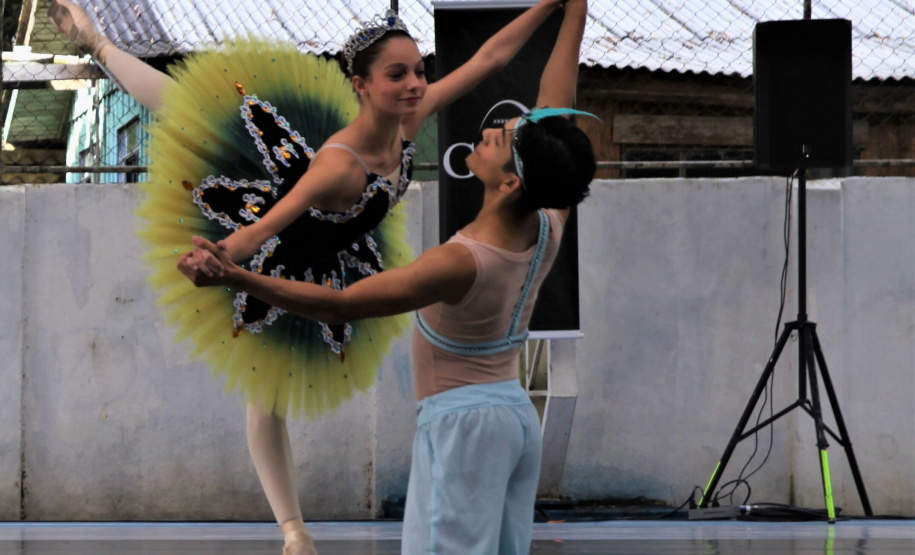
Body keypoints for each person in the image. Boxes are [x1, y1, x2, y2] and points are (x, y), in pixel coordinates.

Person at [48, 1, 567, 553]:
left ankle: (100, 45)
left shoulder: (409, 120)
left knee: (214, 120)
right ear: (361, 85)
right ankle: (293, 529)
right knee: (202, 118)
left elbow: (490, 56)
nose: (417, 84)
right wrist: (220, 259)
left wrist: (551, 6)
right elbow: (261, 230)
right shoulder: (339, 167)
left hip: (341, 246)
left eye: (420, 71)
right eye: (398, 75)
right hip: (285, 246)